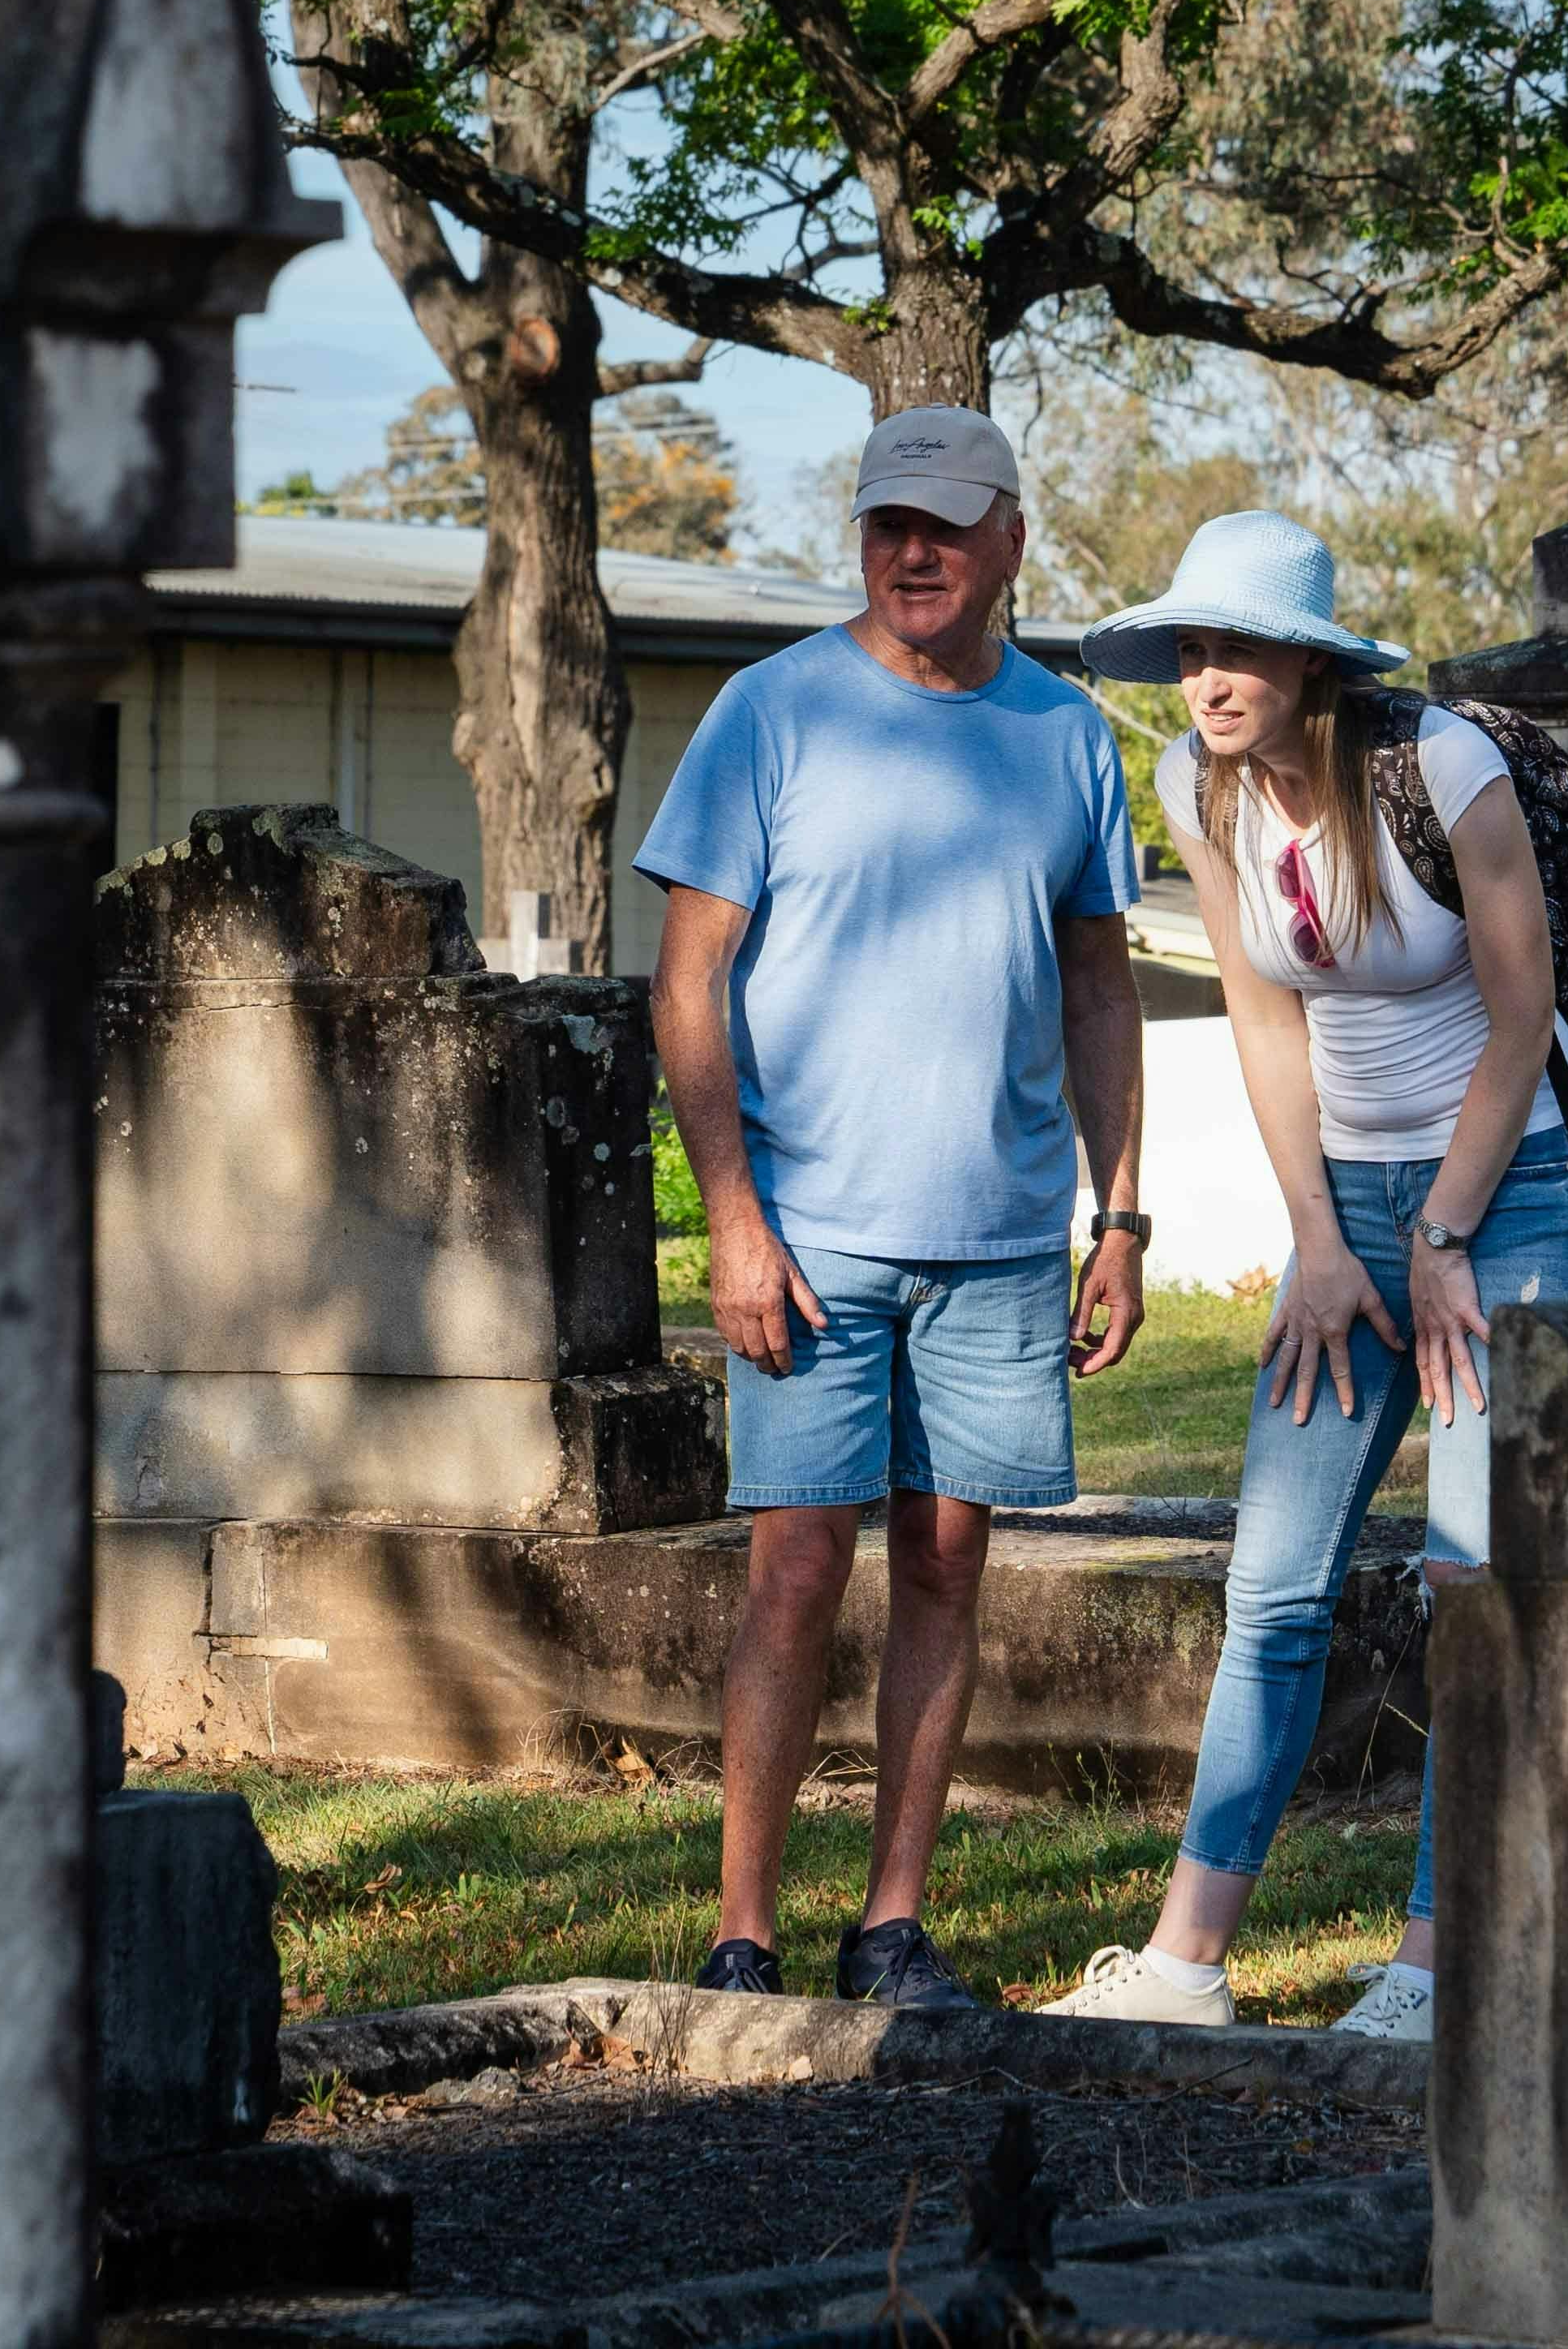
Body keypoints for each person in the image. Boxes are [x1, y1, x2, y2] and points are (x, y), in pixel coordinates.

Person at [1039, 508, 1568, 2038]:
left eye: (1238, 649)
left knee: (1469, 1577)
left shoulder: (1441, 769)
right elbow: (1264, 1017)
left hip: (1524, 1191)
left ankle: (1433, 1969)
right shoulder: (1195, 784)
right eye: (1191, 650)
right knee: (1274, 1584)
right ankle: (1184, 1964)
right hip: (1347, 1212)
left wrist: (1442, 1234)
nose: (1209, 678)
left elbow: (1523, 1015)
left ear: (1311, 665)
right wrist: (1314, 1234)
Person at [637, 403, 1152, 2012]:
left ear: (1012, 537)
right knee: (796, 1566)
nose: (911, 552)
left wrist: (1120, 1213)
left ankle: (893, 1927)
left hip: (998, 1236)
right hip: (809, 1229)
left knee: (945, 1564)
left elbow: (1097, 984)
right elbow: (689, 976)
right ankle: (741, 1934)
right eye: (884, 526)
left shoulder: (1068, 733)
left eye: (942, 524)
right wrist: (731, 1214)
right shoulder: (770, 712)